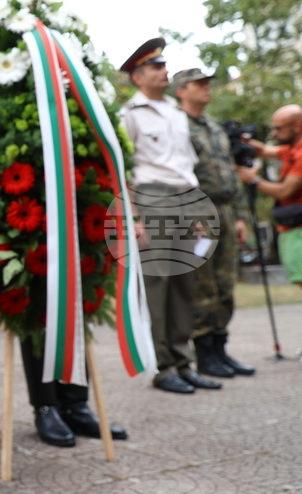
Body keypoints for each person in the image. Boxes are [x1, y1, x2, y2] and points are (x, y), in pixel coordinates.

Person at [0, 0, 128, 447]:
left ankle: (76, 402)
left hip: (79, 178)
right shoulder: (1, 41)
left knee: (80, 291)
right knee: (36, 297)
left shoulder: (73, 40)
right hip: (28, 185)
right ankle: (44, 404)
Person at [119, 39, 221, 395]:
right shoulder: (130, 115)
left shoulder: (178, 115)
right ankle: (164, 368)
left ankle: (183, 362)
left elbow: (185, 167)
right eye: (156, 67)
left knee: (184, 283)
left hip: (186, 199)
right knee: (159, 283)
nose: (164, 71)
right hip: (153, 200)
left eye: (164, 66)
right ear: (137, 77)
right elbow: (124, 170)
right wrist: (133, 215)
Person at [175, 68, 255, 378]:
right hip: (198, 214)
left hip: (225, 210)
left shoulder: (215, 127)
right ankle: (204, 352)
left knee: (225, 284)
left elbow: (231, 175)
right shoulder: (177, 126)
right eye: (200, 84)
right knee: (202, 285)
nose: (207, 88)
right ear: (182, 90)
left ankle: (221, 349)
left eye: (208, 83)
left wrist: (240, 217)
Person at [237, 105, 302, 288]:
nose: (274, 133)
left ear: (296, 126)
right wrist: (243, 140)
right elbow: (265, 150)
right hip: (292, 228)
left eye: (278, 128)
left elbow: (285, 191)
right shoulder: (292, 149)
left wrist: (254, 179)